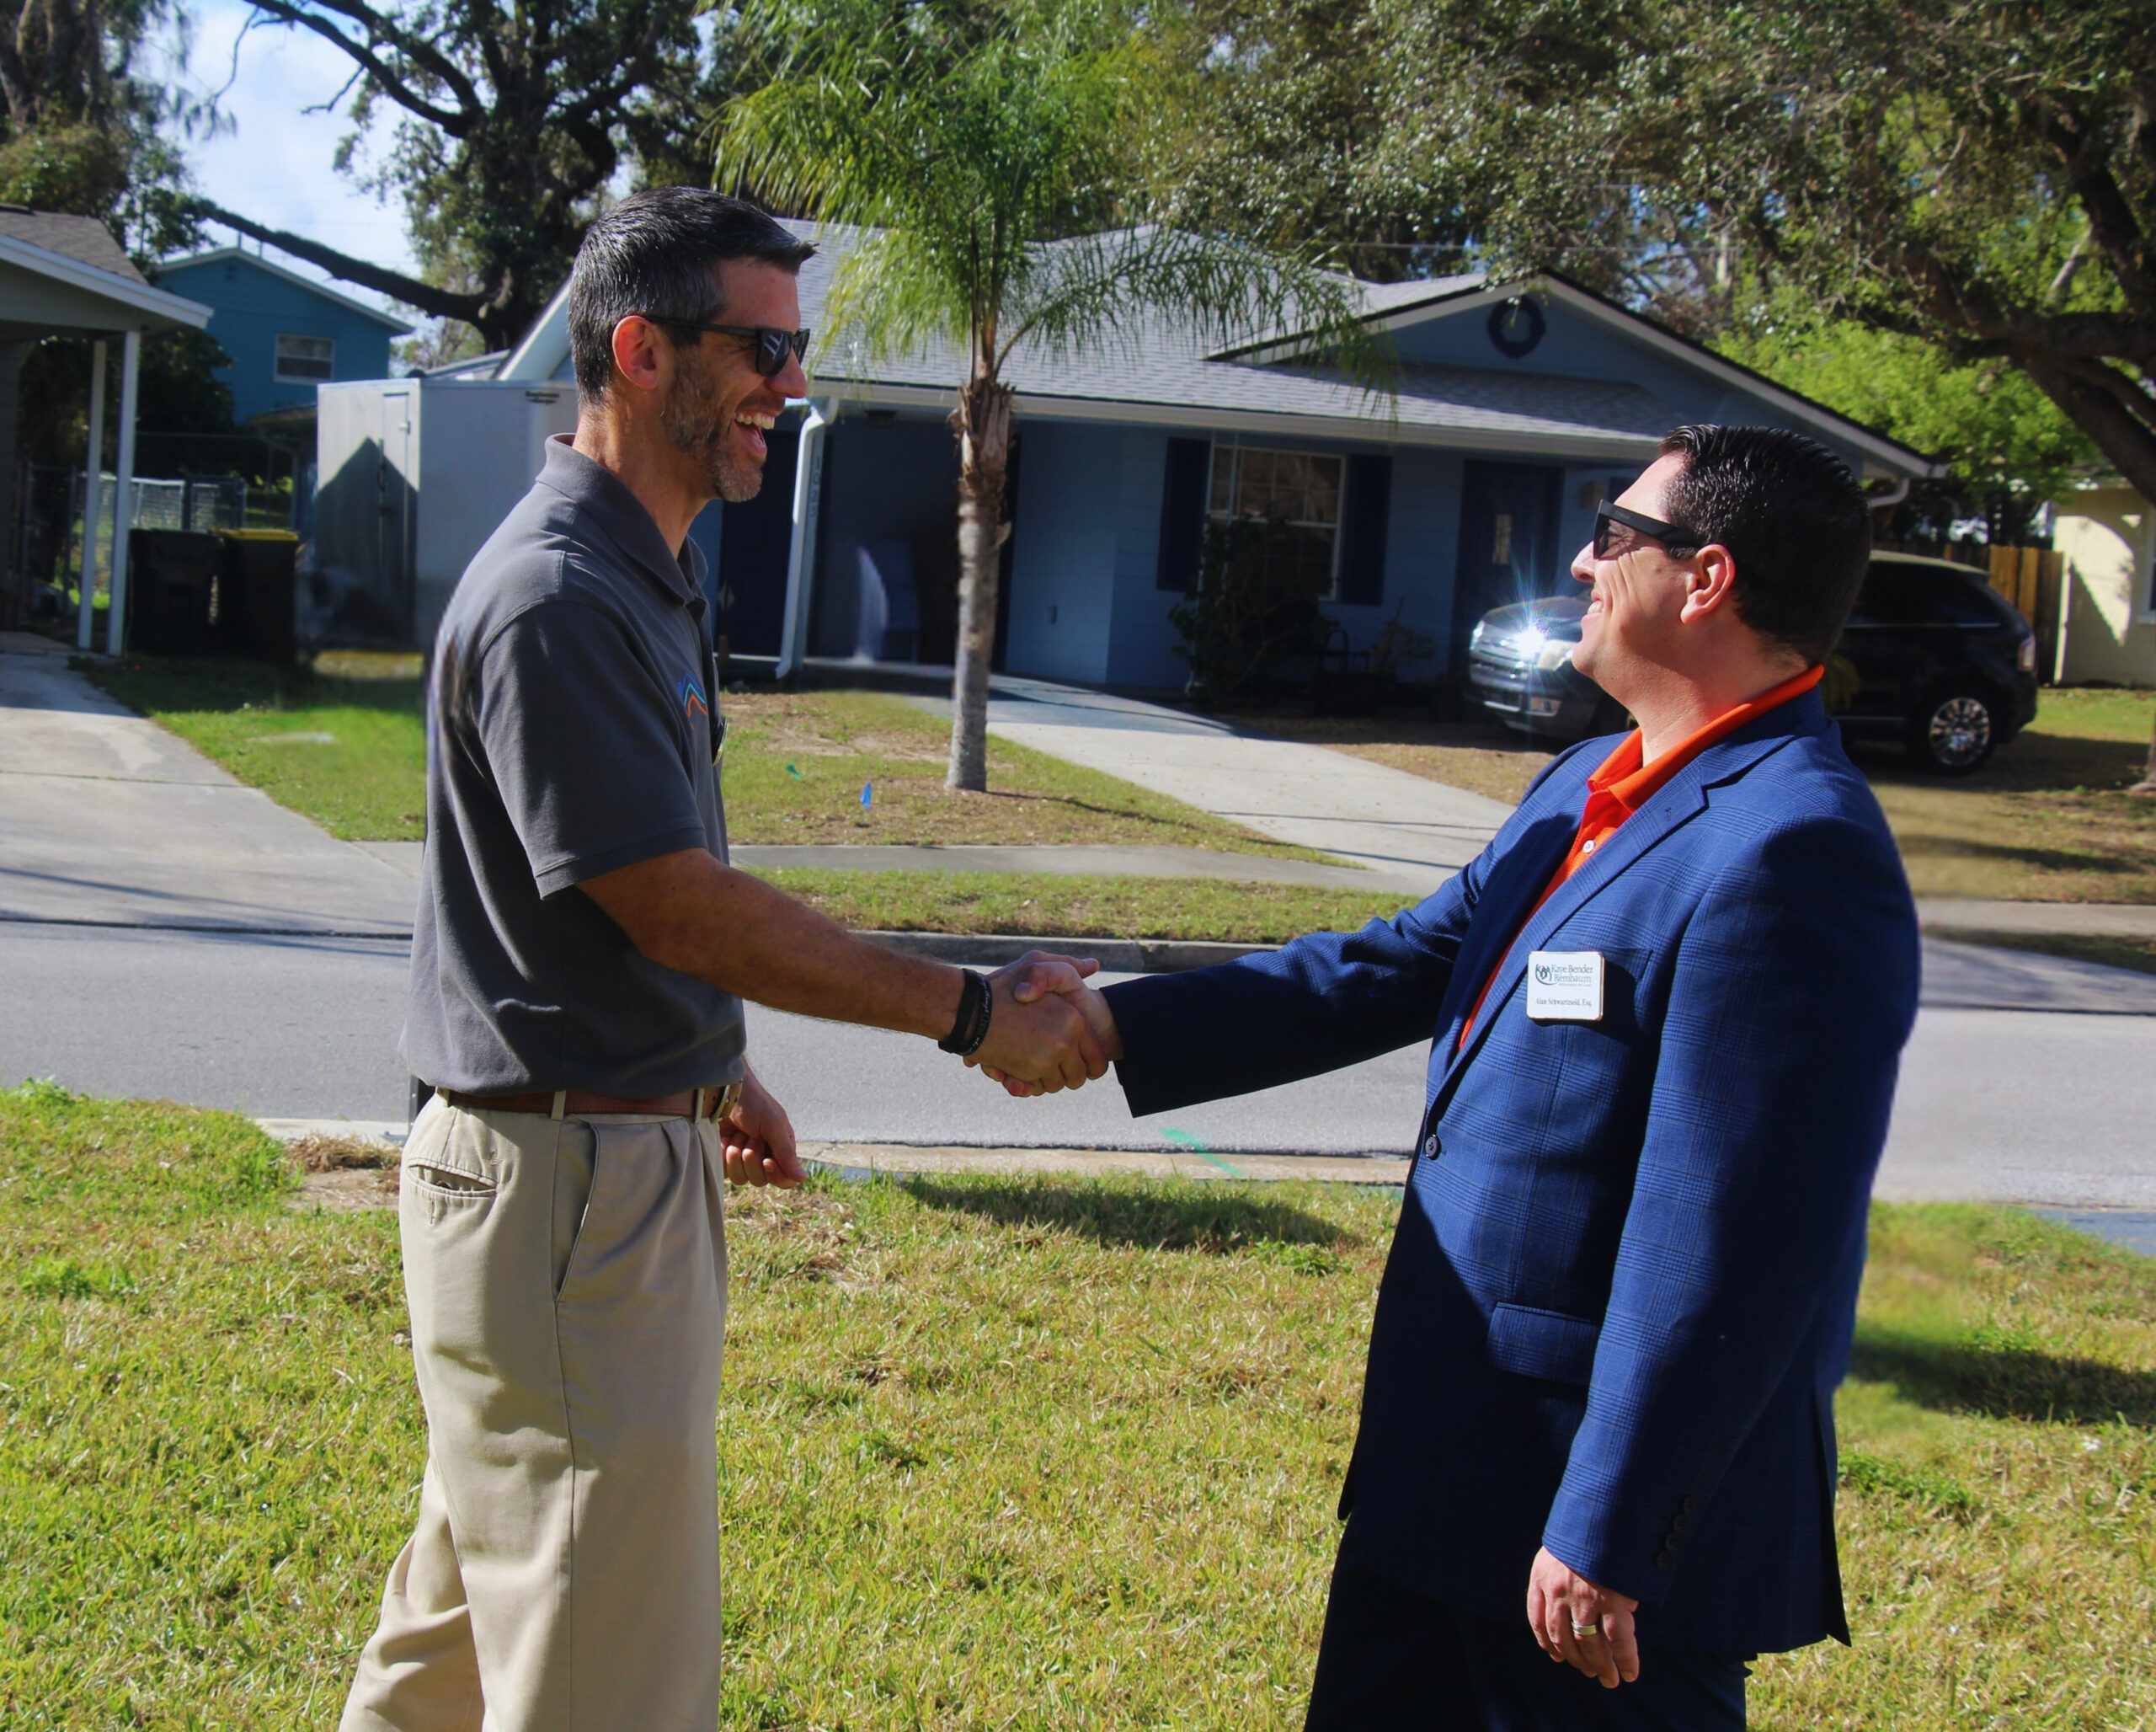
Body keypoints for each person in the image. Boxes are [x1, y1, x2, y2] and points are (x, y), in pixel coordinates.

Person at [340, 187, 1106, 1732]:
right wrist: (965, 1015)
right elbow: (670, 901)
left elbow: (606, 901)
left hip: (586, 1164)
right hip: (569, 1199)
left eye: (797, 348)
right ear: (639, 351)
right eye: (763, 349)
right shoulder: (561, 592)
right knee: (596, 1681)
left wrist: (716, 1057)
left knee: (466, 1646)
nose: (794, 386)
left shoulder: (641, 571)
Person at [1033, 425, 1921, 1729]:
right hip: (1442, 1478)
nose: (1581, 557)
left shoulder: (1794, 850)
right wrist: (1116, 1026)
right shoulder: (1585, 787)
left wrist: (1614, 1524)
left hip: (1588, 1554)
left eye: (1615, 533)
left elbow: (1736, 1239)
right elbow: (1396, 967)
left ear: (1707, 578)